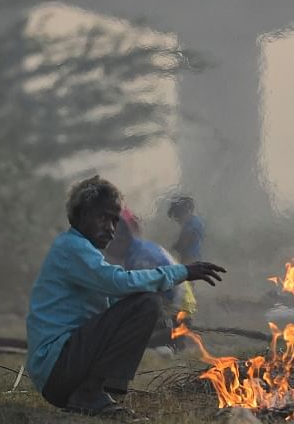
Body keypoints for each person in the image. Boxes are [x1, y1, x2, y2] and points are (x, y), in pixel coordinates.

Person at [26, 176, 227, 415]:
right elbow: (117, 282)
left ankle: (98, 390)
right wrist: (182, 271)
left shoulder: (80, 250)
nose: (111, 229)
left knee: (143, 303)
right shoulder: (72, 247)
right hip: (56, 367)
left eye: (114, 221)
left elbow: (113, 299)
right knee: (145, 304)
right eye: (103, 218)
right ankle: (90, 393)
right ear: (81, 215)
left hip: (59, 369)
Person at [104, 208, 197, 352]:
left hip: (178, 306)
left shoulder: (141, 260)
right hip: (175, 300)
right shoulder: (135, 250)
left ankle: (170, 334)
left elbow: (162, 293)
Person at [167, 196, 205, 265]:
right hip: (190, 258)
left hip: (190, 260)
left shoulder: (193, 224)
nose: (177, 220)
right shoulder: (192, 222)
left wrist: (175, 247)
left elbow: (184, 241)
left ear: (186, 211)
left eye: (178, 216)